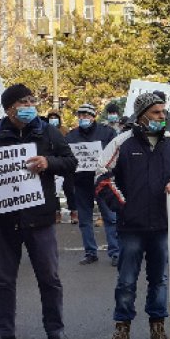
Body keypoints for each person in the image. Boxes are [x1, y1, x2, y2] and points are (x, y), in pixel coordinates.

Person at [0, 84, 77, 339]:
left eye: (31, 101)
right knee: (3, 281)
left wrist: (49, 163)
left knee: (49, 279)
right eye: (23, 102)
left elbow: (71, 163)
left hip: (40, 221)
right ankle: (4, 331)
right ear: (9, 109)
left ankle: (55, 329)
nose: (29, 106)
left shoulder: (48, 132)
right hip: (4, 222)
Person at [95, 93, 170, 339]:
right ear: (142, 115)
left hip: (164, 226)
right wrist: (123, 205)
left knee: (159, 281)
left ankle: (158, 329)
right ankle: (122, 329)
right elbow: (101, 177)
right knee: (126, 281)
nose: (162, 116)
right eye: (156, 112)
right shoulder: (121, 142)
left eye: (163, 112)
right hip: (131, 227)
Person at [66, 103, 119, 266]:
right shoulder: (71, 136)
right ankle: (90, 252)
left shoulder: (107, 132)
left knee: (110, 218)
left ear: (93, 116)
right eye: (80, 115)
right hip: (81, 183)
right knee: (84, 219)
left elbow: (116, 153)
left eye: (86, 115)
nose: (83, 118)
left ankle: (115, 253)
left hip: (103, 182)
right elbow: (66, 158)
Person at [46, 110, 77, 224]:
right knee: (54, 191)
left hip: (65, 164)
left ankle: (74, 212)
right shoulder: (45, 131)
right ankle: (56, 213)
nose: (53, 120)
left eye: (55, 117)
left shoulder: (65, 131)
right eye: (51, 118)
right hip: (52, 164)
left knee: (69, 189)